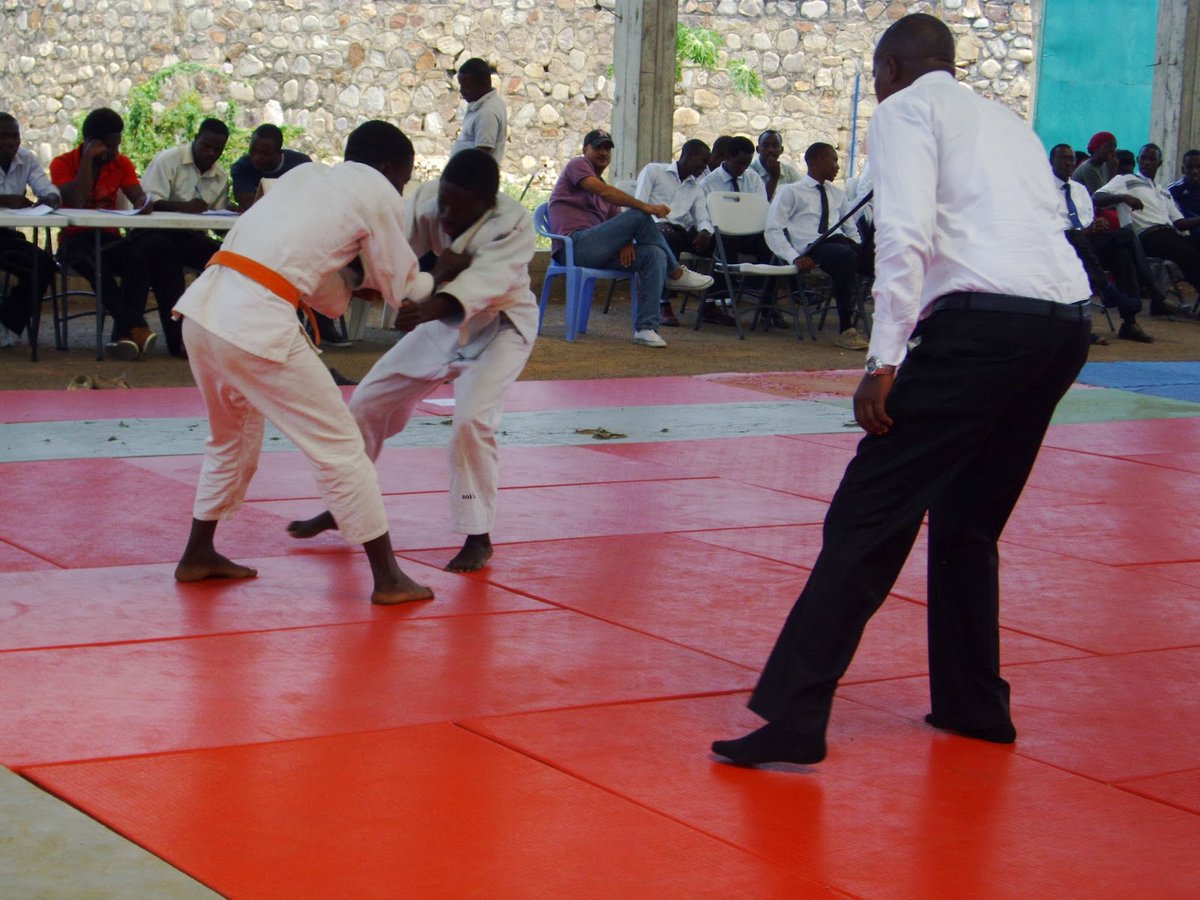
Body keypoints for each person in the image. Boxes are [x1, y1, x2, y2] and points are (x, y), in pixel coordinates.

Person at [712, 14, 1091, 767]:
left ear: (889, 67)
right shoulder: (1008, 122)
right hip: (1064, 326)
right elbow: (1050, 223)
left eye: (877, 71)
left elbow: (906, 235)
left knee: (868, 512)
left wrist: (883, 360)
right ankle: (974, 705)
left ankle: (795, 715)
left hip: (983, 330)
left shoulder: (905, 110)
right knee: (968, 520)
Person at [172, 120, 457, 605]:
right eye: (404, 178)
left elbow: (312, 278)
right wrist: (434, 284)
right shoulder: (376, 189)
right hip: (254, 320)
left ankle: (198, 553)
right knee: (342, 445)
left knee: (230, 437)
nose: (402, 190)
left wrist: (356, 284)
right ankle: (388, 578)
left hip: (203, 310)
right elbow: (401, 283)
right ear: (389, 167)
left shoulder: (301, 180)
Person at [287, 149, 535, 572]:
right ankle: (347, 505)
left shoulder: (512, 224)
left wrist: (427, 304)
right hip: (443, 321)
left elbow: (486, 283)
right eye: (446, 204)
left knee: (471, 420)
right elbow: (390, 247)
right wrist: (373, 279)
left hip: (500, 326)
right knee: (368, 400)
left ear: (487, 202)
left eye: (460, 208)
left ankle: (478, 535)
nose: (448, 215)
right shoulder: (428, 201)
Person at [547, 129, 713, 348]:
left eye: (607, 148)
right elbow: (607, 195)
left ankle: (646, 328)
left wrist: (626, 242)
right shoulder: (577, 166)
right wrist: (647, 207)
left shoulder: (607, 189)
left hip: (600, 251)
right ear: (584, 149)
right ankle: (676, 272)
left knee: (653, 254)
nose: (603, 152)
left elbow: (619, 221)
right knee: (640, 214)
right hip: (574, 247)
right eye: (598, 147)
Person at [50, 107, 158, 360]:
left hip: (109, 236)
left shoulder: (121, 164)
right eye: (110, 146)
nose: (115, 152)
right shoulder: (63, 164)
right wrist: (87, 160)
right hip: (75, 239)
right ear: (91, 142)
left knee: (137, 264)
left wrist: (144, 201)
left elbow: (138, 197)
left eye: (118, 145)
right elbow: (76, 201)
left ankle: (122, 337)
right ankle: (137, 328)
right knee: (100, 272)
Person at [133, 118, 233, 357]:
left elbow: (216, 219)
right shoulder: (168, 160)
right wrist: (183, 207)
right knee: (167, 265)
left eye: (217, 149)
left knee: (226, 261)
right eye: (206, 146)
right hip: (152, 233)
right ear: (196, 138)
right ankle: (179, 341)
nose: (211, 153)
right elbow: (149, 203)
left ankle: (227, 335)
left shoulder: (220, 176)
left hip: (189, 237)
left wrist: (233, 212)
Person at [764, 142, 870, 350]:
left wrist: (859, 247)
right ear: (818, 160)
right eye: (834, 160)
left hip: (841, 244)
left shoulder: (837, 194)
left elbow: (850, 229)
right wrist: (793, 256)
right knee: (845, 257)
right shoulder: (790, 192)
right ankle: (846, 329)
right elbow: (773, 229)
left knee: (880, 256)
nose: (837, 166)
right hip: (814, 246)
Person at [1049, 143, 1152, 342]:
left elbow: (1087, 219)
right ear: (1051, 162)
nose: (1069, 162)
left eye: (1071, 158)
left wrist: (1097, 225)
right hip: (1059, 242)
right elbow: (1047, 223)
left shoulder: (1079, 190)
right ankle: (1110, 291)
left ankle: (1128, 321)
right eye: (1063, 158)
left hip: (1086, 241)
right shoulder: (1043, 189)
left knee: (1124, 241)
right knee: (1077, 236)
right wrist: (1083, 230)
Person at [634, 139, 729, 326]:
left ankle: (710, 304)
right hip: (654, 226)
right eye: (702, 161)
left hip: (680, 230)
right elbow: (639, 204)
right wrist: (655, 221)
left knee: (721, 243)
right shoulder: (654, 171)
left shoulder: (696, 186)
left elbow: (702, 217)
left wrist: (704, 233)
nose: (704, 167)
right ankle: (662, 303)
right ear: (689, 156)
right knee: (668, 236)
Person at [1094, 143, 1200, 301]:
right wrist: (1124, 197)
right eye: (1143, 158)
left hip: (1170, 234)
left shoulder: (1163, 191)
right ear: (1138, 160)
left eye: (1152, 159)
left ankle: (1162, 304)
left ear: (1160, 162)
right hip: (1147, 237)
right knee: (1189, 255)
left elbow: (1179, 222)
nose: (1147, 162)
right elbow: (1097, 198)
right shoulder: (1125, 180)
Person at [0, 113, 59, 349]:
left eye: (14, 136)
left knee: (43, 263)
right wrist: (6, 200)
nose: (10, 142)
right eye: (3, 137)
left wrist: (51, 197)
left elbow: (45, 187)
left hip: (7, 237)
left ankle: (7, 321)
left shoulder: (27, 159)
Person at [230, 124, 312, 210]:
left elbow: (310, 199)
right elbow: (252, 207)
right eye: (253, 150)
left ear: (279, 153)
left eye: (265, 153)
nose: (256, 157)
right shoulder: (242, 167)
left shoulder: (301, 164)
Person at [449, 57, 507, 164]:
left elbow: (481, 155)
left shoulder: (487, 113)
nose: (462, 91)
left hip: (471, 177)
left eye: (466, 87)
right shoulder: (481, 104)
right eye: (461, 86)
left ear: (483, 84)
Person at [750, 130, 803, 201]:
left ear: (781, 150)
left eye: (775, 146)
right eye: (766, 146)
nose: (770, 150)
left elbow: (801, 198)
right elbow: (759, 203)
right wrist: (774, 177)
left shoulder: (790, 172)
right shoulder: (749, 171)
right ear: (758, 149)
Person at [1072, 131, 1117, 196]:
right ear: (1097, 148)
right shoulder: (1088, 168)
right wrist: (1113, 171)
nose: (1113, 150)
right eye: (1109, 146)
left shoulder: (1104, 165)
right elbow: (1101, 198)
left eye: (1114, 147)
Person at [1167, 148, 1200, 237]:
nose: (1195, 171)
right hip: (1187, 234)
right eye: (1190, 167)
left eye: (1198, 167)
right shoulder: (1174, 189)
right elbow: (1177, 222)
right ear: (1183, 169)